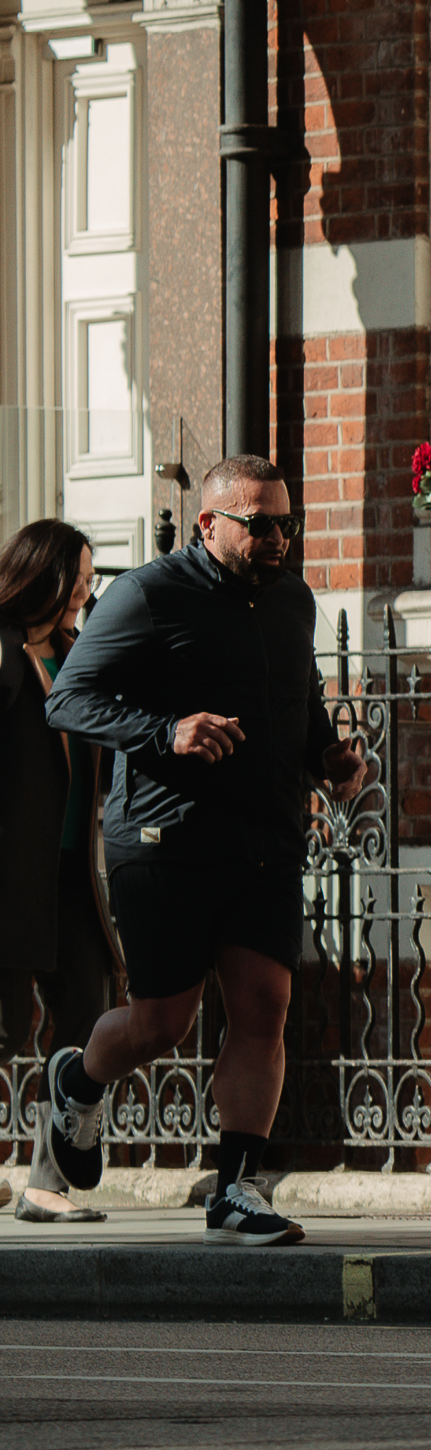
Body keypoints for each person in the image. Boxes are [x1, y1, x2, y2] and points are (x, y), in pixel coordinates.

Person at [34, 456, 371, 1244]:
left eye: (287, 522)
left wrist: (328, 757)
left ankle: (237, 1190)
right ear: (209, 523)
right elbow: (68, 699)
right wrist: (165, 731)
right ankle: (77, 1079)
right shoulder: (147, 595)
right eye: (259, 524)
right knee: (162, 1024)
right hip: (165, 839)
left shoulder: (291, 598)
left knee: (265, 1007)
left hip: (265, 838)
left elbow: (303, 698)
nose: (277, 538)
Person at [0, 521, 116, 1221]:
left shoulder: (77, 652)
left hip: (73, 872)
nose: (84, 589)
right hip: (9, 872)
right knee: (5, 1028)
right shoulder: (4, 651)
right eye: (77, 575)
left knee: (84, 1014)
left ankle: (45, 1181)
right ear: (41, 573)